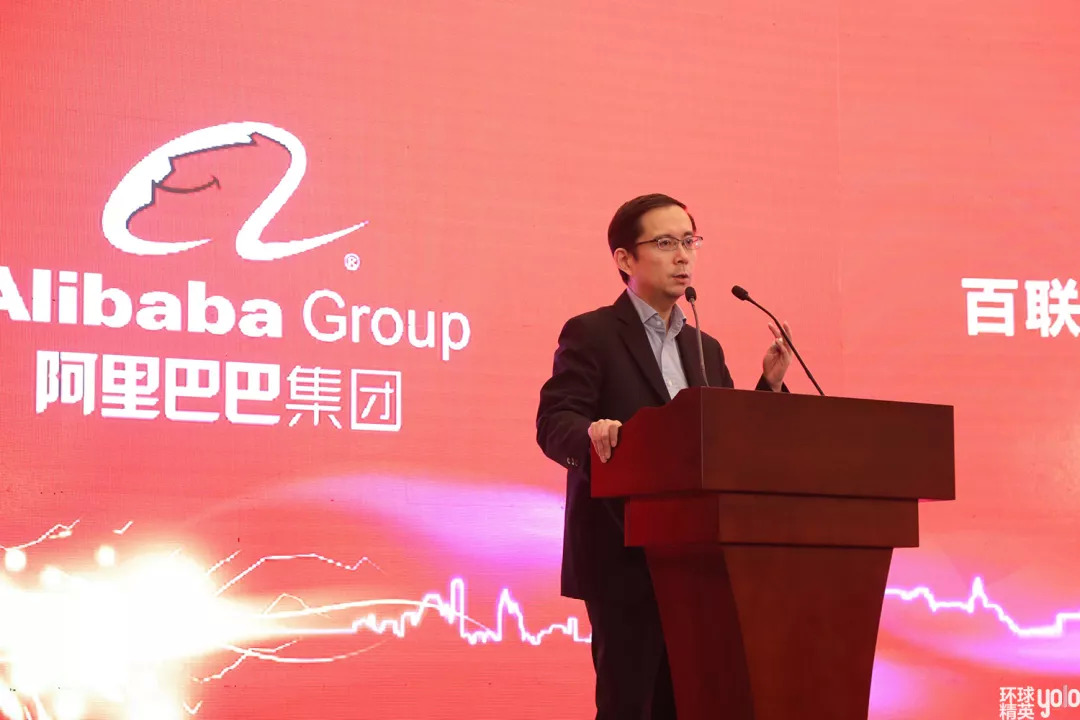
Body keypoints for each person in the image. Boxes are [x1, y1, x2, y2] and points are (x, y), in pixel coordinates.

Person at [535, 193, 793, 719]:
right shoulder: (593, 333)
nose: (682, 256)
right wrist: (594, 435)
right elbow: (555, 421)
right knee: (630, 704)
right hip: (623, 554)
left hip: (700, 560)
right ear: (624, 258)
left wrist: (768, 387)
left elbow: (727, 439)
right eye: (665, 243)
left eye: (690, 242)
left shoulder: (705, 347)